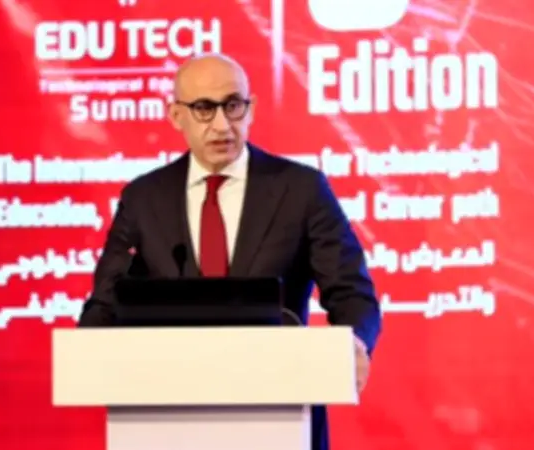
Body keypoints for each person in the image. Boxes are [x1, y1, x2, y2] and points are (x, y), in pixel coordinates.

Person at [78, 53, 382, 450]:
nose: (222, 124)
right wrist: (89, 356)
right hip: (171, 419)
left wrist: (354, 341)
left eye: (233, 105)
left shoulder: (300, 189)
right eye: (204, 108)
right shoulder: (144, 198)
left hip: (281, 411)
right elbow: (106, 302)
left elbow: (351, 292)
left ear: (250, 108)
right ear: (176, 116)